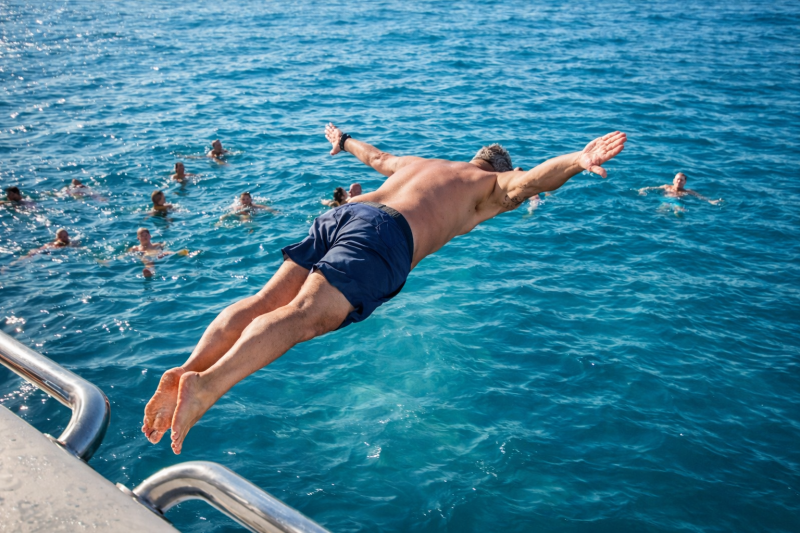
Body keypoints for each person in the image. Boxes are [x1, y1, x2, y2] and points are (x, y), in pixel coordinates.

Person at [142, 122, 627, 454]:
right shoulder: (489, 189)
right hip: (386, 237)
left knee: (265, 302)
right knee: (302, 318)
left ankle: (187, 368)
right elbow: (531, 183)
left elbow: (375, 157)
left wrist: (343, 139)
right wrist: (577, 159)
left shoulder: (427, 164)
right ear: (498, 169)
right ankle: (205, 387)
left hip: (346, 215)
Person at [639, 172, 722, 213]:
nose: (679, 181)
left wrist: (710, 201)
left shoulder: (688, 191)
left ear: (685, 182)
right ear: (674, 180)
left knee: (678, 212)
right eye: (677, 179)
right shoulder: (666, 187)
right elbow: (651, 188)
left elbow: (700, 197)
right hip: (666, 201)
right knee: (660, 212)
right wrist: (642, 190)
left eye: (681, 180)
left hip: (678, 202)